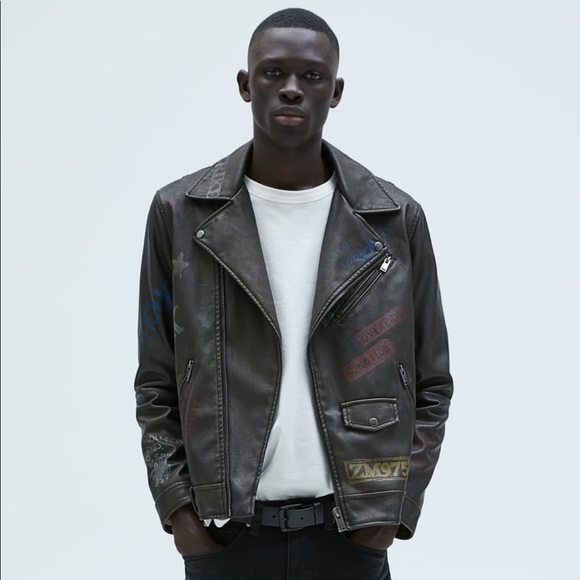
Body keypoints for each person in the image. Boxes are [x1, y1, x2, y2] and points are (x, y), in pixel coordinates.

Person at [135, 8, 453, 579]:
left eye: (311, 76)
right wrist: (179, 510)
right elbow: (156, 382)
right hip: (224, 537)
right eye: (273, 72)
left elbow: (431, 383)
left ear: (336, 91)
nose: (291, 88)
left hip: (351, 535)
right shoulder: (180, 215)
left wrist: (394, 509)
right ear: (244, 84)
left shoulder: (393, 220)